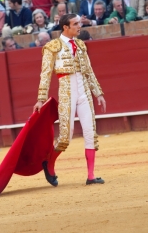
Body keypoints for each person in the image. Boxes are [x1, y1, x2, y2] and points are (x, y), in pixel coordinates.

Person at [33, 13, 106, 186]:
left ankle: (91, 175)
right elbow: (45, 75)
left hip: (84, 91)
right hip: (66, 90)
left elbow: (88, 71)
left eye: (79, 23)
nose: (79, 26)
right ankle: (49, 163)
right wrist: (40, 99)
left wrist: (98, 93)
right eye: (76, 24)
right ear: (65, 27)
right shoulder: (53, 46)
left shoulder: (81, 45)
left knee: (90, 133)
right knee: (66, 135)